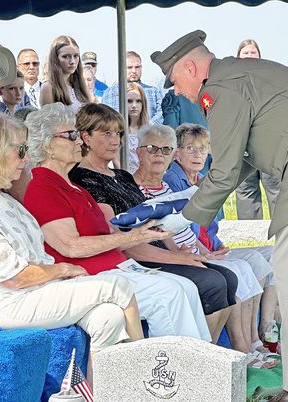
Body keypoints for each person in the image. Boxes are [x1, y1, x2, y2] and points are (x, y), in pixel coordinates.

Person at [151, 30, 288, 402]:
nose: (177, 91)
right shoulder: (240, 75)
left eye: (175, 81)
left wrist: (184, 217)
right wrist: (196, 197)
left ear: (190, 67)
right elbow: (239, 161)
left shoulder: (221, 89)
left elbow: (224, 168)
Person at [0, 111, 144, 386]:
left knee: (108, 316)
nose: (26, 158)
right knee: (119, 287)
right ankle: (148, 381)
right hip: (11, 304)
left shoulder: (2, 199)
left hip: (38, 293)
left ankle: (102, 398)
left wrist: (61, 273)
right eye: (20, 150)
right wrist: (63, 269)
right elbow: (14, 278)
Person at [23, 102, 211, 342]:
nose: (79, 141)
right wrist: (134, 236)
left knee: (187, 288)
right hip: (90, 277)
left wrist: (149, 230)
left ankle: (205, 365)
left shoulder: (73, 187)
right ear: (48, 144)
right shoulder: (43, 187)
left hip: (118, 268)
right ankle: (173, 372)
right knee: (170, 293)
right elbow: (70, 246)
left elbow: (109, 233)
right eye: (70, 135)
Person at [69, 103, 238, 344]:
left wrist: (180, 251)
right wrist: (178, 258)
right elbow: (119, 239)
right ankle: (199, 355)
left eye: (118, 133)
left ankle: (207, 352)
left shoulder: (122, 176)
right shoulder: (83, 179)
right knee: (211, 283)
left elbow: (154, 220)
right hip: (132, 257)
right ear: (85, 137)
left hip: (151, 250)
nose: (115, 140)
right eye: (106, 133)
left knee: (228, 279)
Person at [133, 123, 277, 367]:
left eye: (164, 150)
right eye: (152, 149)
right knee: (229, 274)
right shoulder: (155, 184)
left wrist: (202, 252)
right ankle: (220, 354)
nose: (159, 155)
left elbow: (178, 231)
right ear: (138, 152)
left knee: (246, 267)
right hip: (154, 261)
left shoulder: (168, 186)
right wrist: (188, 255)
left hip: (188, 251)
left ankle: (247, 342)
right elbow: (155, 235)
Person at [234, 39, 280, 220]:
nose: (249, 56)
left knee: (276, 189)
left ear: (260, 56)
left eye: (253, 52)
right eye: (245, 53)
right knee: (246, 189)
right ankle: (251, 236)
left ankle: (285, 234)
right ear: (238, 57)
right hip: (241, 144)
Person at [102, 51, 164, 124]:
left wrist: (146, 129)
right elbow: (107, 117)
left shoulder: (154, 92)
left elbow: (162, 113)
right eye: (129, 67)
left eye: (137, 67)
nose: (134, 71)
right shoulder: (110, 92)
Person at [40, 35, 91, 113]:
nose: (72, 61)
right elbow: (48, 123)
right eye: (65, 56)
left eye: (76, 56)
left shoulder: (81, 86)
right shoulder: (48, 88)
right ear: (55, 59)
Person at [125, 82, 149, 173]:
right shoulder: (117, 131)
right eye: (129, 101)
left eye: (138, 101)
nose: (134, 105)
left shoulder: (149, 132)